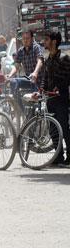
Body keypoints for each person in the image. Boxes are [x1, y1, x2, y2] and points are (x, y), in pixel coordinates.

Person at [41, 31, 70, 166]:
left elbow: (66, 78)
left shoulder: (64, 58)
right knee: (53, 129)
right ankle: (58, 157)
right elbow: (45, 78)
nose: (44, 42)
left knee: (64, 127)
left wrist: (57, 87)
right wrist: (42, 89)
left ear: (54, 42)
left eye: (46, 39)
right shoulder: (48, 59)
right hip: (50, 99)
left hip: (61, 99)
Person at [9, 30, 44, 111]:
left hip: (39, 81)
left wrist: (35, 72)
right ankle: (22, 110)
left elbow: (40, 60)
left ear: (32, 38)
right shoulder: (21, 51)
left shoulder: (36, 47)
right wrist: (10, 75)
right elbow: (16, 66)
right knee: (13, 81)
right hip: (29, 80)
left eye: (27, 38)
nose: (25, 40)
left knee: (36, 107)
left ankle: (36, 112)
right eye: (24, 38)